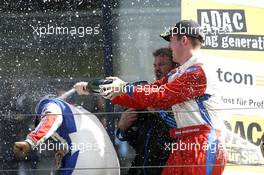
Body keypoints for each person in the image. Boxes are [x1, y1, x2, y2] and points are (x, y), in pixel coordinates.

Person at [74, 19, 227, 175]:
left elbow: (161, 97)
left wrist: (124, 87)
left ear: (184, 40)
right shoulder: (177, 74)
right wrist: (92, 88)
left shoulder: (199, 71)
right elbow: (143, 95)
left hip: (204, 144)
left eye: (171, 41)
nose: (169, 46)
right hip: (184, 143)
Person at [13, 95, 120, 175]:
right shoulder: (81, 112)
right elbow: (81, 136)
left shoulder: (49, 103)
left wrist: (31, 141)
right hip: (112, 165)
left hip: (85, 164)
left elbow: (51, 118)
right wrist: (64, 151)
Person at [116, 48, 177, 175]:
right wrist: (123, 128)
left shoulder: (178, 97)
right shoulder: (146, 95)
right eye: (155, 65)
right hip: (141, 167)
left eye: (162, 64)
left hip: (166, 167)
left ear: (174, 67)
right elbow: (139, 143)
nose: (157, 69)